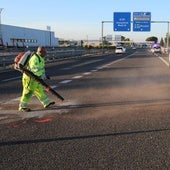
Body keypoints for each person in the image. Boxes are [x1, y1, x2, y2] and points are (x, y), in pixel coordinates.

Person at [19, 46, 55, 112]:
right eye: (45, 52)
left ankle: (46, 103)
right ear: (40, 52)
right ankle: (22, 107)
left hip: (36, 78)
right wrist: (42, 76)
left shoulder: (40, 57)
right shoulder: (35, 58)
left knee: (39, 90)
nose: (46, 53)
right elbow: (35, 70)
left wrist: (44, 76)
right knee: (28, 92)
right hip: (30, 78)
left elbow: (41, 69)